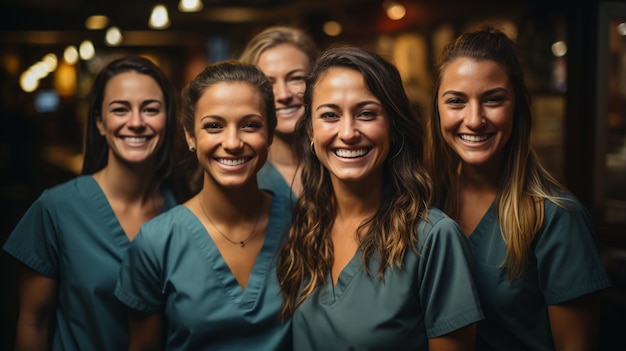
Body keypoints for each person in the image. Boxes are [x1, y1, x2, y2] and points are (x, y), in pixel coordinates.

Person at [277, 46, 484, 350]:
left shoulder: (433, 239)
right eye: (330, 115)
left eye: (367, 114)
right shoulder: (305, 226)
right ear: (310, 130)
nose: (348, 133)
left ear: (393, 127)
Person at [425, 27, 612, 351]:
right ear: (437, 110)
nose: (474, 119)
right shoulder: (426, 202)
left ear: (518, 108)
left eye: (493, 100)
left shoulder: (556, 217)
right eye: (456, 101)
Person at [2, 55, 189, 350]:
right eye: (120, 109)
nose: (136, 122)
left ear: (168, 119)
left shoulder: (185, 209)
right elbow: (33, 322)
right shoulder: (56, 208)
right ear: (100, 122)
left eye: (151, 109)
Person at [114, 61, 292, 350]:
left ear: (270, 132)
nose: (232, 142)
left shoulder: (304, 223)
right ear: (190, 136)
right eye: (213, 126)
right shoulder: (157, 242)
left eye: (250, 125)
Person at [239, 25, 319, 199]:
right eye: (268, 83)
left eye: (296, 78)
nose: (284, 95)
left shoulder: (341, 164)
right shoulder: (241, 175)